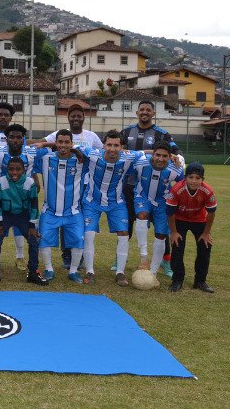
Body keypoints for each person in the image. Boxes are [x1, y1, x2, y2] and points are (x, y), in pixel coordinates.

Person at [120, 99, 184, 277]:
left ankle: (166, 260)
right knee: (128, 222)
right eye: (142, 110)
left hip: (157, 188)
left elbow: (176, 152)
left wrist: (178, 158)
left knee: (161, 226)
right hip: (130, 186)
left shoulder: (162, 134)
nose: (145, 112)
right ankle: (121, 259)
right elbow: (118, 152)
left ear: (153, 113)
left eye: (148, 110)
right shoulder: (126, 132)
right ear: (137, 112)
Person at [77, 130, 144, 286]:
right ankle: (90, 271)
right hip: (92, 201)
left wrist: (174, 157)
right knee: (89, 234)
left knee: (123, 233)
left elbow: (146, 155)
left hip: (116, 202)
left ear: (122, 147)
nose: (112, 149)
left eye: (116, 145)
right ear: (103, 145)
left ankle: (120, 272)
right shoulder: (93, 154)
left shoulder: (129, 157)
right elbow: (72, 146)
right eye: (109, 145)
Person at [41, 103, 102, 269]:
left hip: (85, 184)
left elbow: (100, 154)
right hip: (65, 181)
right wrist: (74, 151)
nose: (76, 118)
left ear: (83, 117)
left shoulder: (91, 136)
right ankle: (66, 254)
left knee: (78, 219)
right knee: (63, 213)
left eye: (79, 116)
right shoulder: (58, 134)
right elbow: (44, 144)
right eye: (73, 116)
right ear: (68, 117)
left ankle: (79, 255)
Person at [33, 129, 85, 284]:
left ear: (72, 143)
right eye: (60, 142)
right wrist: (44, 143)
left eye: (67, 142)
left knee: (77, 239)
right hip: (50, 210)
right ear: (55, 143)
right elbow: (29, 150)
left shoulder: (81, 160)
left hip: (73, 211)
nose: (63, 145)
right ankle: (49, 269)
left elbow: (98, 152)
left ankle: (74, 271)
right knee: (44, 240)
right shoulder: (45, 158)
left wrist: (77, 150)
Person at [0, 123, 39, 272]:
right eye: (12, 137)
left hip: (23, 207)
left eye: (19, 137)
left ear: (23, 139)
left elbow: (50, 148)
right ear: (6, 139)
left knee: (33, 237)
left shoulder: (32, 153)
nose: (15, 140)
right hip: (5, 207)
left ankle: (32, 269)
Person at [0, 157, 42, 285]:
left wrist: (32, 225)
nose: (14, 172)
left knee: (34, 240)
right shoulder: (1, 182)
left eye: (18, 169)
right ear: (7, 169)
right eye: (11, 169)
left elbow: (34, 205)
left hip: (23, 215)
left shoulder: (30, 183)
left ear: (24, 170)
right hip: (6, 215)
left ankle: (33, 272)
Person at [133, 142, 184, 280]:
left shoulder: (176, 168)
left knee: (161, 235)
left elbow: (183, 185)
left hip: (163, 202)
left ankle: (154, 272)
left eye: (165, 156)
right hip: (142, 196)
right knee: (142, 214)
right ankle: (144, 258)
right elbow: (127, 154)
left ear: (169, 157)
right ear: (153, 154)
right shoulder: (140, 162)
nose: (160, 159)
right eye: (158, 155)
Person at [166, 163, 217, 293]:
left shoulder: (207, 191)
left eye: (198, 178)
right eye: (191, 177)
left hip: (199, 220)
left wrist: (206, 233)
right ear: (185, 177)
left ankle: (200, 281)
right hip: (180, 220)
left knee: (205, 246)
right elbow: (170, 212)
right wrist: (174, 232)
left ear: (202, 179)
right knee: (177, 247)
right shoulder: (177, 189)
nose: (194, 181)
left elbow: (211, 213)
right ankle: (177, 281)